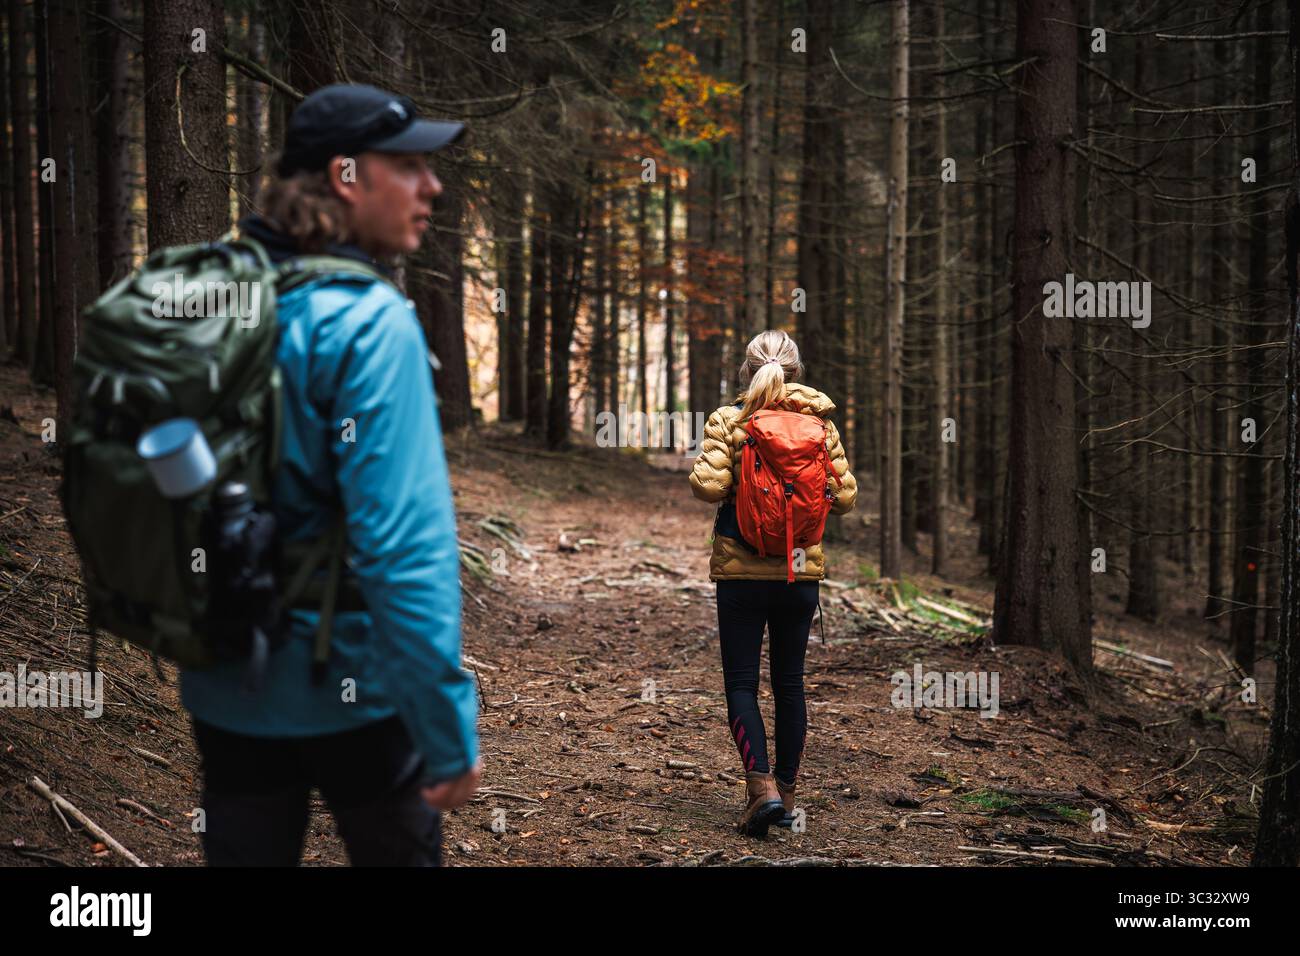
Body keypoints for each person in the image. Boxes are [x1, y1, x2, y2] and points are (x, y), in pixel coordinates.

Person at [179, 84, 481, 866]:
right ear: (347, 175)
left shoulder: (210, 299)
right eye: (410, 166)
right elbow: (403, 553)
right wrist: (447, 728)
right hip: (355, 690)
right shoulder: (369, 322)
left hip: (225, 683)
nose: (432, 187)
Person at [688, 330, 858, 837]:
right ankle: (786, 791)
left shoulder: (729, 419)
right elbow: (845, 497)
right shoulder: (820, 424)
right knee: (789, 681)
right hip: (798, 572)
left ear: (747, 371)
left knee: (742, 681)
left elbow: (709, 485)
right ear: (796, 370)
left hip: (741, 572)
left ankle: (759, 790)